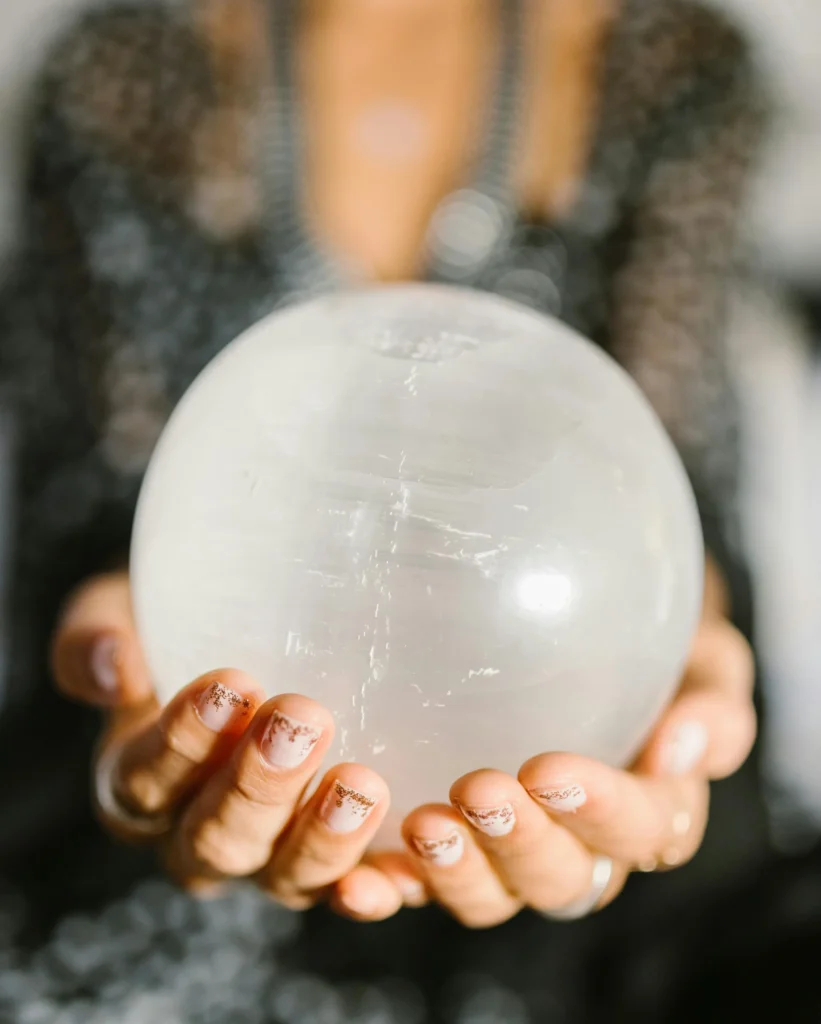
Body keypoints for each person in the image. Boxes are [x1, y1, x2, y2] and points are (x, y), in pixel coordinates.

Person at [0, 0, 767, 1016]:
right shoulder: (122, 72)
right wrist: (117, 647)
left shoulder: (669, 67)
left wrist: (686, 662)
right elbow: (89, 496)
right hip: (180, 811)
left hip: (574, 788)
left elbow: (674, 484)